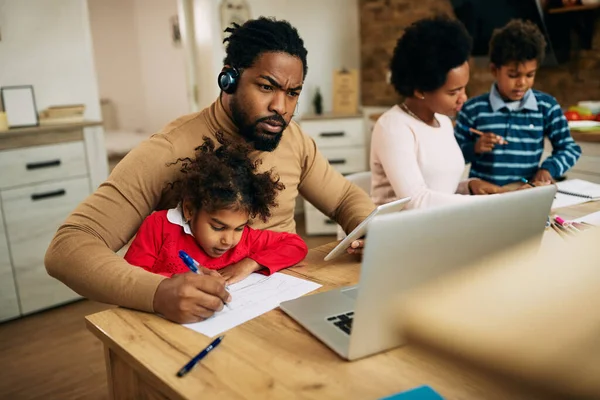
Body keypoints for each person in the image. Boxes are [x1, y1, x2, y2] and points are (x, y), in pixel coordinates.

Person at [45, 17, 375, 324]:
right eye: (266, 87)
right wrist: (156, 292)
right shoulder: (168, 151)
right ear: (228, 78)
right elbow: (69, 246)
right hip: (206, 320)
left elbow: (344, 196)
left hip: (286, 307)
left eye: (292, 93)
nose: (281, 107)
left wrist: (368, 229)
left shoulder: (293, 139)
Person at [124, 133, 308, 289]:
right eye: (218, 227)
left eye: (238, 228)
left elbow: (296, 246)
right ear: (189, 210)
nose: (228, 240)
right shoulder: (159, 226)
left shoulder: (245, 239)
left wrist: (249, 264)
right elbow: (130, 279)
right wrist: (178, 280)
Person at [370, 16, 504, 210]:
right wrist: (487, 203)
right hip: (400, 234)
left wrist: (469, 187)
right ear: (419, 90)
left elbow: (440, 190)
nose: (463, 98)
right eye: (453, 92)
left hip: (436, 226)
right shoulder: (393, 127)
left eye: (464, 88)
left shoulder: (443, 121)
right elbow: (416, 201)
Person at [454, 19, 581, 186]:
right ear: (494, 70)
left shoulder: (546, 107)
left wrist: (548, 169)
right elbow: (452, 158)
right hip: (483, 200)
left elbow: (570, 148)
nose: (522, 83)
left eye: (529, 75)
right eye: (513, 75)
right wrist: (474, 148)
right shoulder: (472, 109)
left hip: (525, 195)